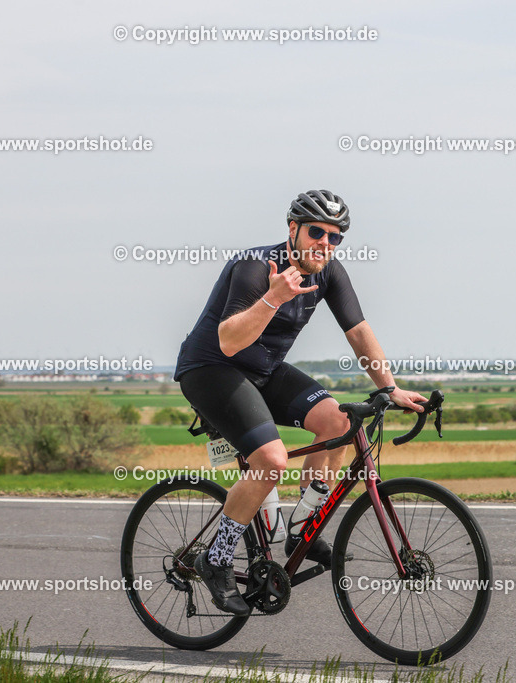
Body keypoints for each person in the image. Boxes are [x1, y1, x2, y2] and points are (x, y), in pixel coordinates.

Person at [173, 189, 426, 615]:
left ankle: (301, 526)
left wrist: (390, 387)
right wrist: (274, 296)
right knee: (271, 462)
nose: (325, 243)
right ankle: (214, 559)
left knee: (341, 423)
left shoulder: (328, 272)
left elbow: (358, 330)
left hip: (265, 371)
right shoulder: (255, 267)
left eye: (336, 236)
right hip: (211, 370)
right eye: (316, 232)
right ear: (293, 229)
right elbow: (229, 340)